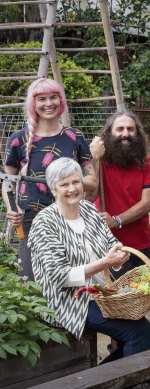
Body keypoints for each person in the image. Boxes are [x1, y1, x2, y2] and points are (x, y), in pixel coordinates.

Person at [27, 157, 150, 363]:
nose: (72, 188)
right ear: (53, 189)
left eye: (76, 182)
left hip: (101, 294)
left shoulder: (88, 210)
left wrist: (118, 254)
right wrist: (105, 262)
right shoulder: (45, 223)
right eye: (64, 184)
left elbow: (110, 241)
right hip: (70, 301)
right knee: (139, 332)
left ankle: (101, 379)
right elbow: (59, 276)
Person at [2, 78, 97, 280]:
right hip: (31, 219)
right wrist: (11, 207)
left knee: (71, 280)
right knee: (32, 282)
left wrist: (69, 183)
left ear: (60, 101)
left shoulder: (74, 136)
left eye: (53, 97)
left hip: (69, 218)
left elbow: (92, 181)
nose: (48, 103)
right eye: (42, 99)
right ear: (33, 104)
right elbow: (7, 180)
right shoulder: (19, 139)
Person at [87, 110, 150, 278]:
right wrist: (95, 158)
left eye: (130, 129)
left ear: (137, 132)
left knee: (140, 294)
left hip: (138, 241)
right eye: (120, 129)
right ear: (109, 133)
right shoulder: (100, 159)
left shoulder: (146, 160)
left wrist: (117, 220)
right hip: (106, 242)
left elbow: (147, 203)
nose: (125, 134)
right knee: (113, 296)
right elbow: (90, 195)